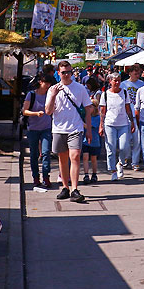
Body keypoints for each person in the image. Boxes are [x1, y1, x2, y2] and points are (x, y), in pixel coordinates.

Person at [45, 60, 94, 203]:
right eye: (64, 72)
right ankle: (65, 187)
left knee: (75, 156)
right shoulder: (53, 89)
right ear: (58, 73)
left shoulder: (80, 88)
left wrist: (89, 130)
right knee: (63, 158)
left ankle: (75, 189)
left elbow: (88, 110)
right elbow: (48, 111)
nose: (67, 75)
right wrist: (53, 94)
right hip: (59, 128)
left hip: (76, 128)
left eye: (69, 72)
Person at [99, 73, 135, 181]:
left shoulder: (124, 93)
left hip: (123, 123)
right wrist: (101, 125)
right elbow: (102, 112)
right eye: (115, 80)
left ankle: (120, 162)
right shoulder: (105, 94)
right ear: (110, 82)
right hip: (110, 124)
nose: (117, 82)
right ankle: (113, 171)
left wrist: (132, 122)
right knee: (111, 148)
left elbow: (128, 108)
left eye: (119, 80)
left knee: (124, 147)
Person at [23, 74, 56, 189]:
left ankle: (46, 177)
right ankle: (36, 177)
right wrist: (35, 114)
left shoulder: (49, 95)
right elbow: (24, 111)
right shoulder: (31, 95)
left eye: (49, 83)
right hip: (33, 128)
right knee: (34, 154)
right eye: (46, 83)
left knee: (46, 152)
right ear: (40, 82)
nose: (47, 85)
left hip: (46, 128)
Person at [120, 64, 144, 170]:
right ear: (130, 73)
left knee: (137, 139)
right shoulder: (123, 85)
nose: (137, 75)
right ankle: (125, 157)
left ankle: (135, 162)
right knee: (125, 141)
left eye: (139, 73)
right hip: (126, 115)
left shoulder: (142, 84)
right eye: (135, 73)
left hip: (138, 115)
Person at [81, 77, 104, 184]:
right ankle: (86, 174)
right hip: (85, 141)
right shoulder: (86, 116)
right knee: (85, 157)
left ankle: (94, 174)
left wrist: (81, 123)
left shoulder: (96, 118)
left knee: (93, 159)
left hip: (94, 142)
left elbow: (89, 127)